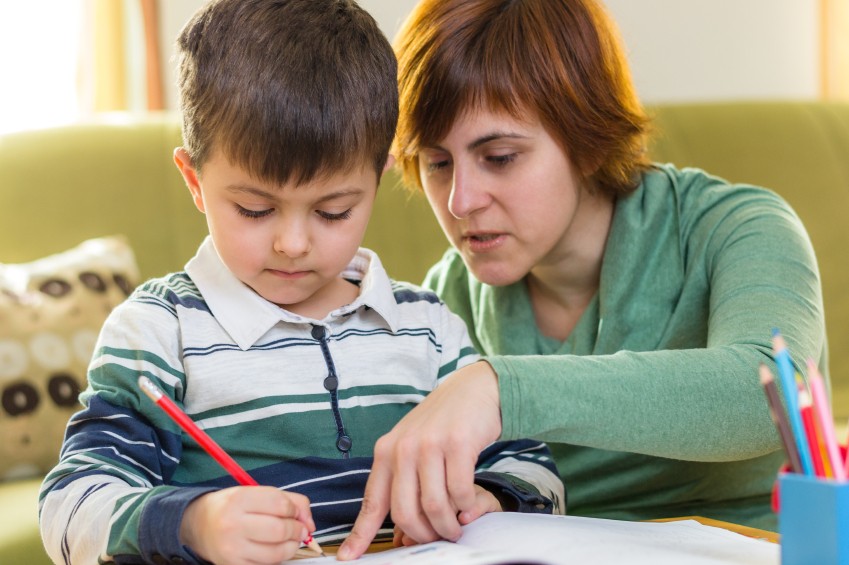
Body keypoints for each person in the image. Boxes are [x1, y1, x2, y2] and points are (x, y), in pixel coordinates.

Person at [37, 1, 564, 564]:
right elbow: (69, 507)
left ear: (379, 176)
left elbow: (535, 469)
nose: (293, 243)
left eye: (333, 211)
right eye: (255, 210)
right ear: (194, 179)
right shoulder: (159, 332)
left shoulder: (428, 328)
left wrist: (490, 500)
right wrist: (192, 523)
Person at [335, 0, 827, 558]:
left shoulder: (738, 227)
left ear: (587, 139)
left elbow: (769, 396)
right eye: (437, 162)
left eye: (498, 156)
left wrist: (501, 389)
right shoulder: (446, 300)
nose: (461, 201)